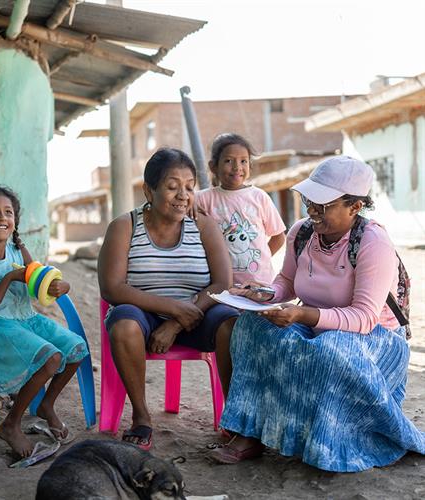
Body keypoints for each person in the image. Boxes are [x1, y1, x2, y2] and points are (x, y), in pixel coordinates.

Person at [209, 156, 425, 471]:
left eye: (322, 205)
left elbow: (364, 318)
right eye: (309, 201)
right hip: (319, 327)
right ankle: (248, 432)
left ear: (355, 207)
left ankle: (328, 445)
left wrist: (301, 316)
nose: (311, 211)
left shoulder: (372, 242)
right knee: (249, 328)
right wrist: (263, 295)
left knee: (329, 350)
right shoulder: (303, 233)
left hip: (375, 341)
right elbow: (286, 283)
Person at [98, 148, 239, 450]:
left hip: (196, 316)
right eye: (172, 186)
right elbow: (111, 288)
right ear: (149, 190)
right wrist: (173, 308)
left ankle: (235, 418)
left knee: (231, 322)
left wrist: (176, 322)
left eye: (189, 186)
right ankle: (141, 416)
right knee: (122, 325)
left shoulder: (203, 225)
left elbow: (223, 283)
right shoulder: (125, 226)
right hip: (144, 316)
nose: (183, 195)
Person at [0, 185, 88, 458]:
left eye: (8, 212)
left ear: (15, 220)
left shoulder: (18, 251)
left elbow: (41, 283)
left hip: (27, 321)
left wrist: (61, 285)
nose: (2, 217)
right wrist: (9, 278)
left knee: (76, 348)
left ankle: (46, 405)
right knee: (51, 358)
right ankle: (11, 424)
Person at [196, 133, 286, 285]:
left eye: (243, 161)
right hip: (222, 285)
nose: (237, 167)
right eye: (228, 161)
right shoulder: (203, 199)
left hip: (259, 283)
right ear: (213, 166)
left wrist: (260, 259)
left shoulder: (259, 197)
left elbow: (278, 236)